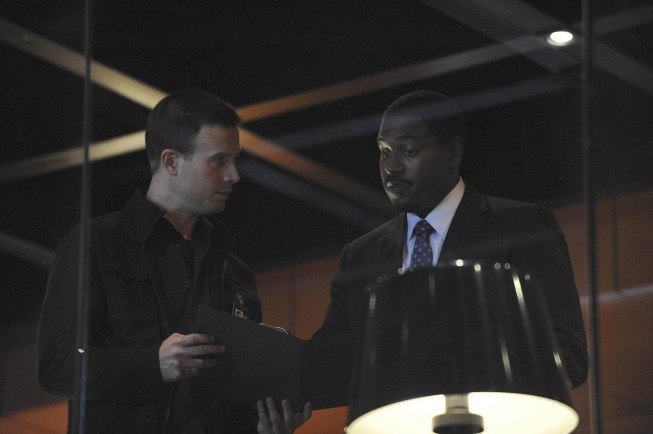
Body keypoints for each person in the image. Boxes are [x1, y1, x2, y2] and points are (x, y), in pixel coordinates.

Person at [37, 89, 311, 433]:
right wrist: (153, 364)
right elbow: (56, 365)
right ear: (171, 162)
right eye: (219, 161)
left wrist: (266, 425)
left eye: (234, 160)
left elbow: (231, 398)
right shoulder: (98, 243)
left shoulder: (233, 268)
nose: (234, 175)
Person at [313, 90, 588, 388]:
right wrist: (288, 394)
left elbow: (567, 354)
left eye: (409, 151)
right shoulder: (359, 256)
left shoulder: (520, 227)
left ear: (453, 153)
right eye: (384, 152)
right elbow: (328, 363)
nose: (391, 167)